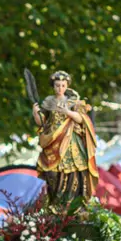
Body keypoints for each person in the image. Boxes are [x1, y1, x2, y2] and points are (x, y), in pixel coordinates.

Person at [31, 70, 99, 200]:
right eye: (57, 85)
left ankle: (73, 201)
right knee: (52, 173)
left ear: (67, 86)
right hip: (52, 140)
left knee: (74, 172)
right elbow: (43, 122)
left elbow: (81, 119)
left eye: (63, 85)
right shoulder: (49, 102)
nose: (60, 88)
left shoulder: (73, 101)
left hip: (70, 140)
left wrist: (67, 112)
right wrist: (36, 113)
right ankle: (55, 202)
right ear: (53, 86)